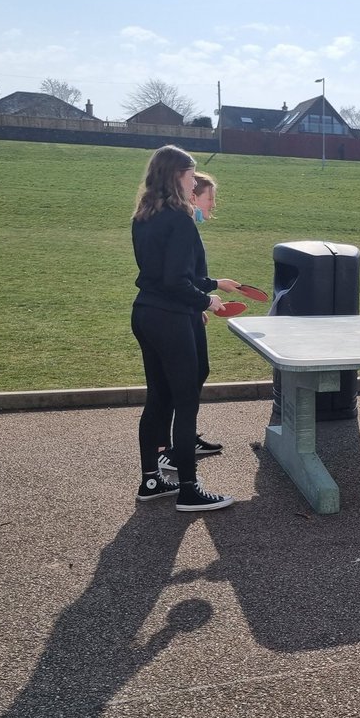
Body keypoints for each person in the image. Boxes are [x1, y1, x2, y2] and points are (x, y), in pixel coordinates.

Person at [131, 145, 242, 511]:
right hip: (170, 318)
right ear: (175, 176)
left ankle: (151, 480)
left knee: (158, 399)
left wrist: (205, 291)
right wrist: (205, 301)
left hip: (145, 314)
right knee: (185, 401)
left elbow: (166, 276)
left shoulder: (143, 215)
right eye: (191, 176)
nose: (195, 183)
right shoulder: (179, 220)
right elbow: (177, 281)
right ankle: (189, 489)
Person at [157, 170, 224, 473]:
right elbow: (179, 279)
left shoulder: (186, 226)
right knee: (178, 383)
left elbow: (188, 278)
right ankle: (169, 449)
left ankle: (184, 438)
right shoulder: (182, 227)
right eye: (210, 198)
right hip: (176, 314)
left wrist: (203, 299)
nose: (213, 204)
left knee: (197, 373)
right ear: (193, 196)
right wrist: (205, 299)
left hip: (188, 310)